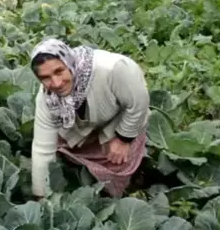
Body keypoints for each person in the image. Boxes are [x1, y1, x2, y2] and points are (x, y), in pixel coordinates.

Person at [29, 38, 150, 198]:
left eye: (59, 71)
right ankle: (82, 170)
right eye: (46, 77)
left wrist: (123, 138)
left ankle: (126, 187)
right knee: (60, 151)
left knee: (118, 159)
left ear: (69, 62)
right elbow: (42, 149)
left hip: (118, 121)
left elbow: (138, 104)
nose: (56, 83)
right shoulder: (47, 98)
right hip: (82, 130)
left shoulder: (113, 69)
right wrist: (41, 196)